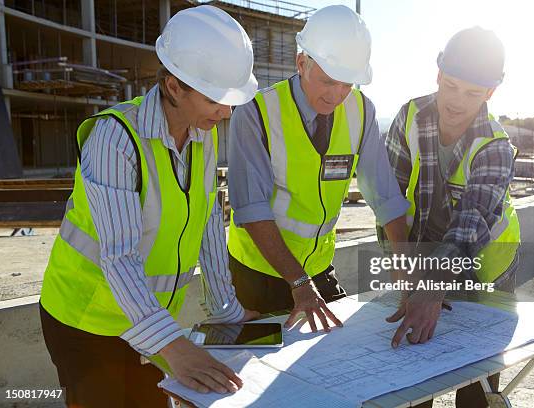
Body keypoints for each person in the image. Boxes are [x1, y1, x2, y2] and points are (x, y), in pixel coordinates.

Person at [39, 6, 259, 407]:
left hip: (149, 322)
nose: (226, 113)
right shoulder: (114, 140)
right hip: (87, 324)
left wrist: (226, 309)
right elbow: (119, 256)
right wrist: (174, 347)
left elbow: (209, 224)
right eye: (216, 99)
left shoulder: (202, 137)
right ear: (174, 86)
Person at [227, 5, 409, 332]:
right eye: (328, 81)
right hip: (258, 276)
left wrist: (408, 264)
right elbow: (252, 211)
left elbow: (385, 195)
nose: (337, 94)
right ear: (301, 63)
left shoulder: (362, 111)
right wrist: (298, 282)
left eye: (347, 84)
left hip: (319, 268)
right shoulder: (255, 114)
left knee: (343, 351)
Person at [380, 27, 520, 407]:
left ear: (491, 92)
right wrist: (403, 262)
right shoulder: (409, 116)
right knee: (412, 377)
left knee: (476, 388)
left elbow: (469, 226)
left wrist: (432, 285)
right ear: (438, 73)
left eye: (473, 93)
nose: (457, 101)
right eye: (451, 85)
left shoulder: (495, 146)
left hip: (487, 272)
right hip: (425, 258)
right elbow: (388, 198)